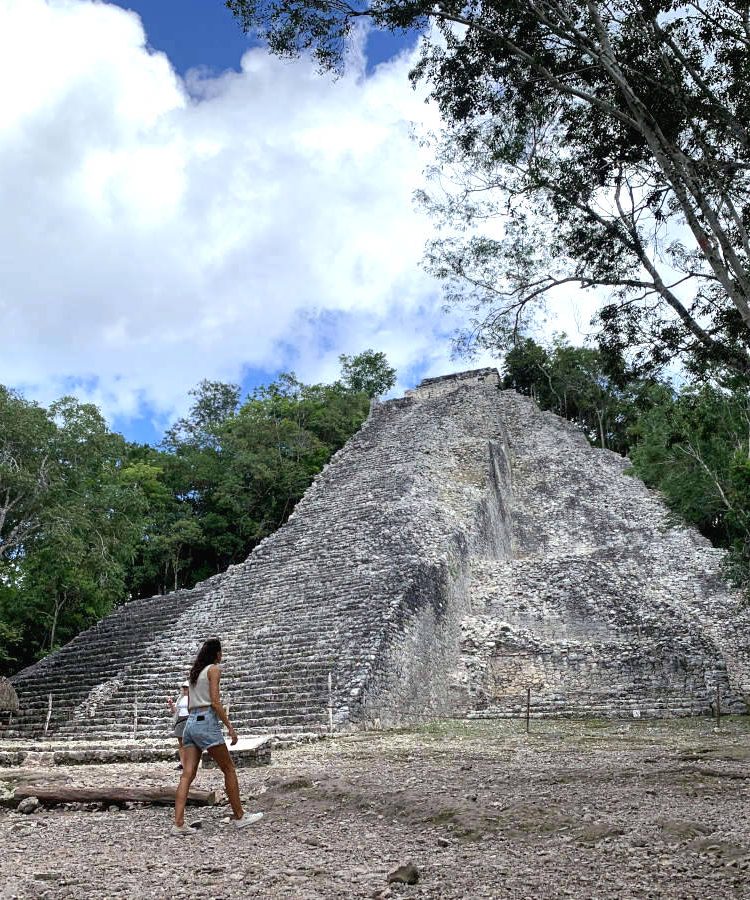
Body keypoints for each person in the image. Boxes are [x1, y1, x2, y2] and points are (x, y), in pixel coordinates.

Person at [172, 638, 264, 836]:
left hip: (190, 723)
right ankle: (239, 816)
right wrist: (230, 727)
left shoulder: (195, 673)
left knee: (187, 774)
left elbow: (188, 706)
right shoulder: (214, 670)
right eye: (221, 652)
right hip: (206, 721)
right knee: (228, 768)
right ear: (216, 653)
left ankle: (178, 823)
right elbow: (215, 701)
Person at [167, 681, 190, 770]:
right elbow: (174, 711)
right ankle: (183, 763)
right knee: (181, 743)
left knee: (188, 742)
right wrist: (171, 705)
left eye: (186, 687)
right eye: (184, 687)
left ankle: (189, 762)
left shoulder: (193, 698)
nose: (185, 689)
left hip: (189, 718)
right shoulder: (180, 698)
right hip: (180, 719)